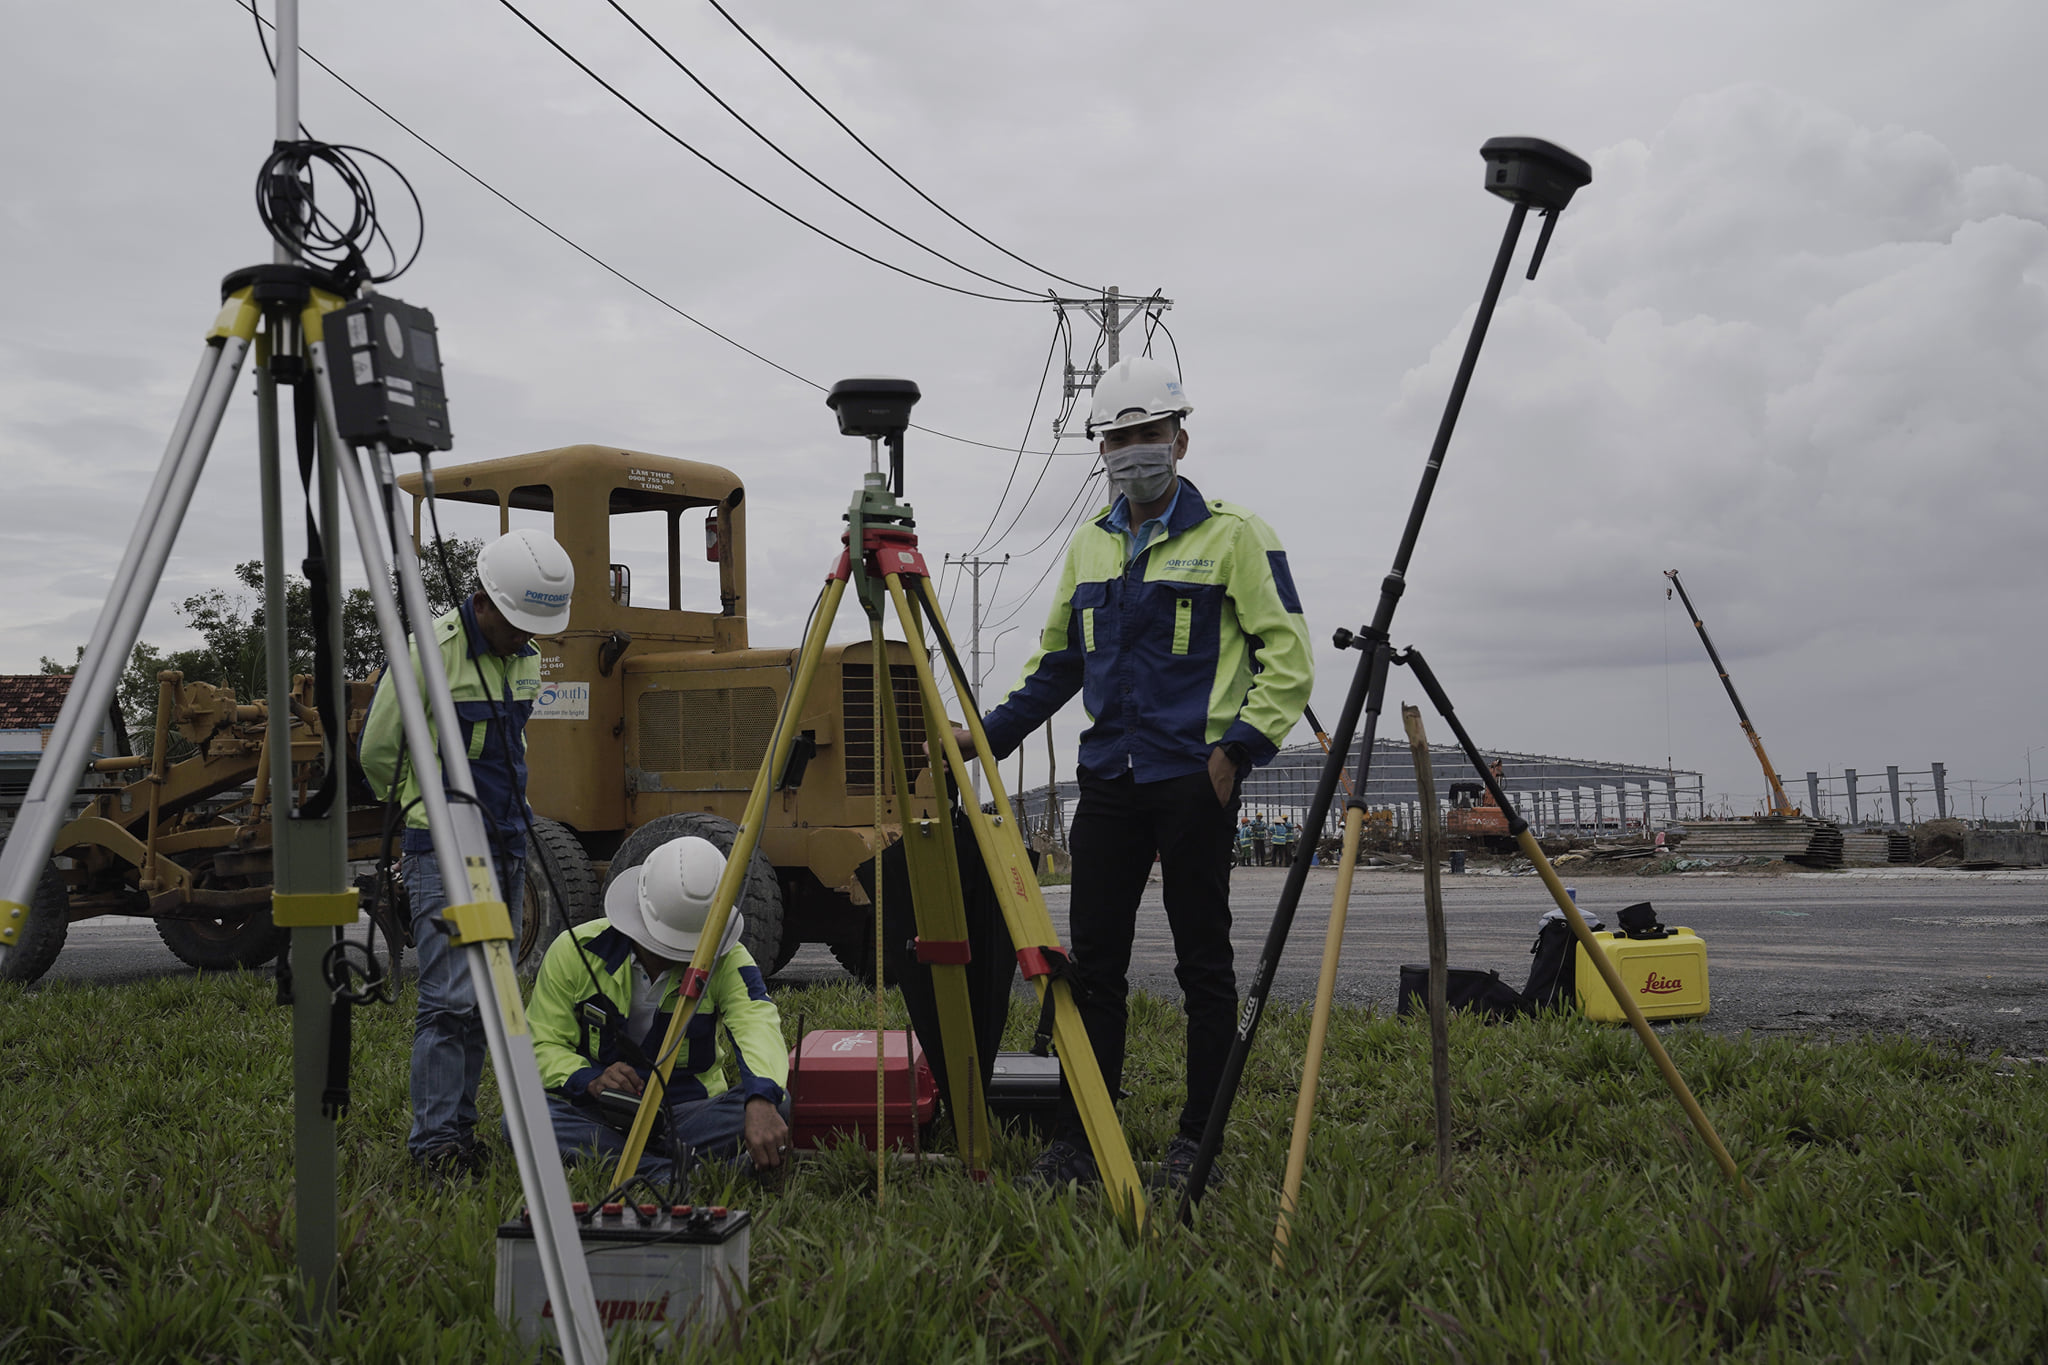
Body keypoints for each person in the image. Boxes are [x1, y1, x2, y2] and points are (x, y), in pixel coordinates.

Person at [956, 355, 1313, 1189]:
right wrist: (984, 736)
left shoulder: (1236, 534)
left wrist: (1236, 755)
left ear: (1180, 438)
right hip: (1108, 785)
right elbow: (1056, 667)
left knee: (1203, 964)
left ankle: (1200, 1141)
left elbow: (1288, 659)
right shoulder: (1089, 545)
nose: (1132, 451)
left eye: (1146, 434)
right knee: (1094, 967)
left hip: (1193, 779)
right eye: (1117, 439)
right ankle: (1083, 1136)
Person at [359, 527, 573, 1179]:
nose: (525, 638)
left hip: (506, 839)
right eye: (517, 624)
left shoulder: (527, 655)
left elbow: (511, 745)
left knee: (487, 993)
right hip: (443, 847)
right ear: (483, 600)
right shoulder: (428, 654)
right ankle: (432, 1145)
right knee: (450, 996)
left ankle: (460, 1130)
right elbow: (378, 752)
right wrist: (433, 818)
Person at [528, 834, 790, 1182]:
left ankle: (633, 1164)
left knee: (783, 1103)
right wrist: (591, 1080)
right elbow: (541, 1045)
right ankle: (681, 1174)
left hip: (689, 1113)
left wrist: (761, 1100)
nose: (673, 954)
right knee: (525, 1120)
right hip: (601, 1113)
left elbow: (758, 1025)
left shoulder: (728, 959)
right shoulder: (574, 951)